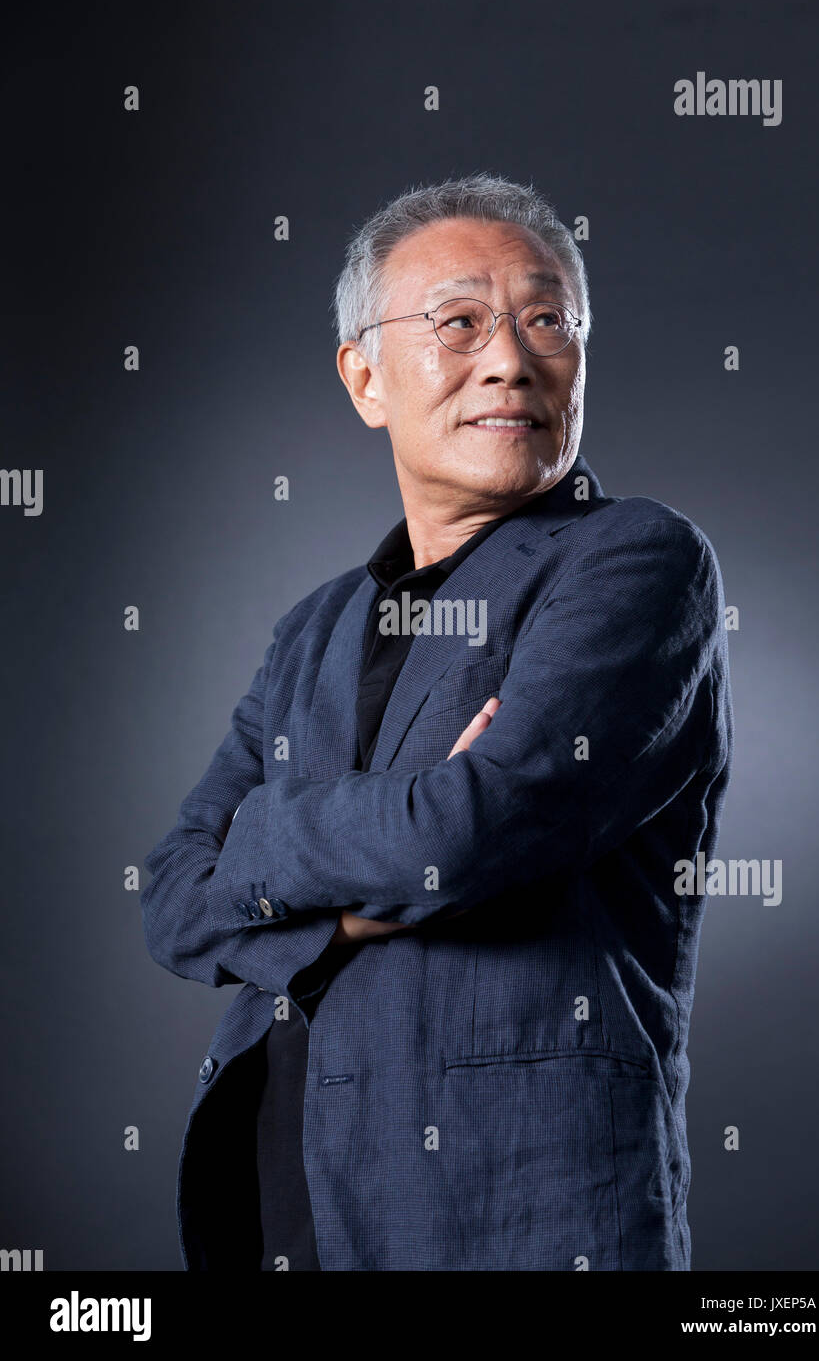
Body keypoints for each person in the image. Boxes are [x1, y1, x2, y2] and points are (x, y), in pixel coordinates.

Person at [140, 171, 733, 1271]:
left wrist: (267, 835)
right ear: (364, 379)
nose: (509, 358)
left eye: (546, 319)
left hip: (504, 1214)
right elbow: (172, 900)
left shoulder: (633, 560)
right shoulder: (313, 627)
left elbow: (462, 834)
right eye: (457, 321)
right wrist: (365, 899)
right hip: (278, 1203)